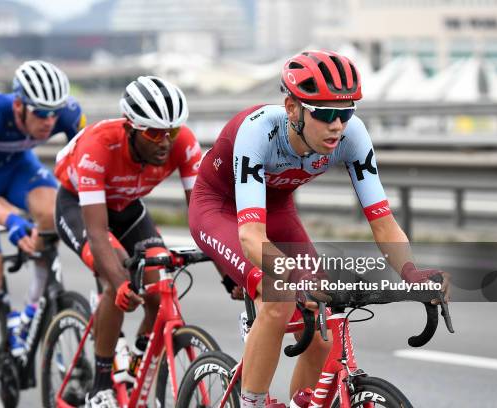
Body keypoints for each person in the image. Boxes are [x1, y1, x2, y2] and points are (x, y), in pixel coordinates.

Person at [187, 50, 449, 408]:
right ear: (292, 108)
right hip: (220, 208)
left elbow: (384, 223)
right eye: (325, 113)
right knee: (279, 294)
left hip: (276, 207)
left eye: (345, 112)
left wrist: (411, 271)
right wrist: (292, 274)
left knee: (322, 330)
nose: (337, 125)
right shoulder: (257, 132)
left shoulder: (352, 135)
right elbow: (251, 237)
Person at [53, 75, 203, 407]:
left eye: (172, 131)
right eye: (153, 133)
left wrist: (227, 272)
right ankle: (100, 385)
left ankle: (136, 359)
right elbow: (97, 232)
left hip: (128, 209)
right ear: (131, 128)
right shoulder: (98, 146)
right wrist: (121, 282)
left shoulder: (183, 143)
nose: (165, 141)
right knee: (118, 277)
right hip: (80, 207)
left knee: (160, 281)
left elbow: (203, 215)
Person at [0, 60, 86, 408]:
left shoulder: (70, 114)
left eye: (54, 113)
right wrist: (10, 221)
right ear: (18, 105)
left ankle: (30, 311)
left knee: (52, 211)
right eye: (40, 113)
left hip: (18, 171)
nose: (49, 122)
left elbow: (87, 177)